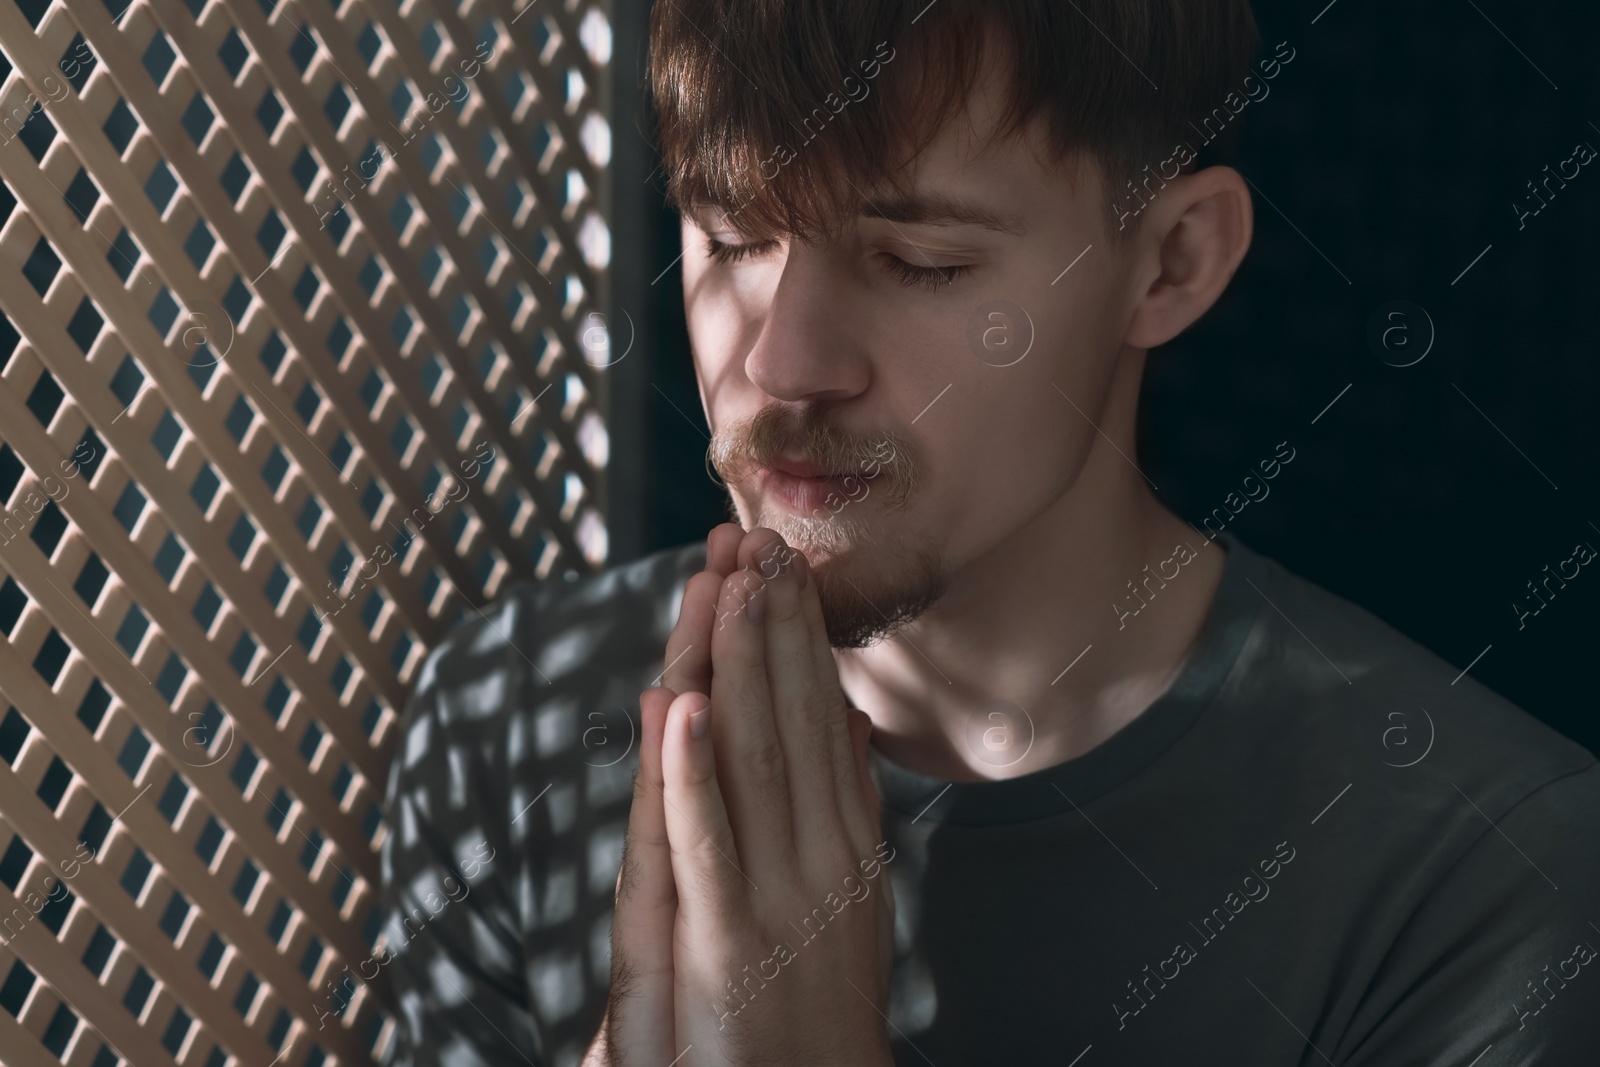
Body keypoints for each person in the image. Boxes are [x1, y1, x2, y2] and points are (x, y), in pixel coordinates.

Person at [379, 1, 1600, 1063]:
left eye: (917, 260)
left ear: (1170, 260)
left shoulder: (1477, 878)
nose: (779, 362)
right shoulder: (508, 718)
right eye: (733, 236)